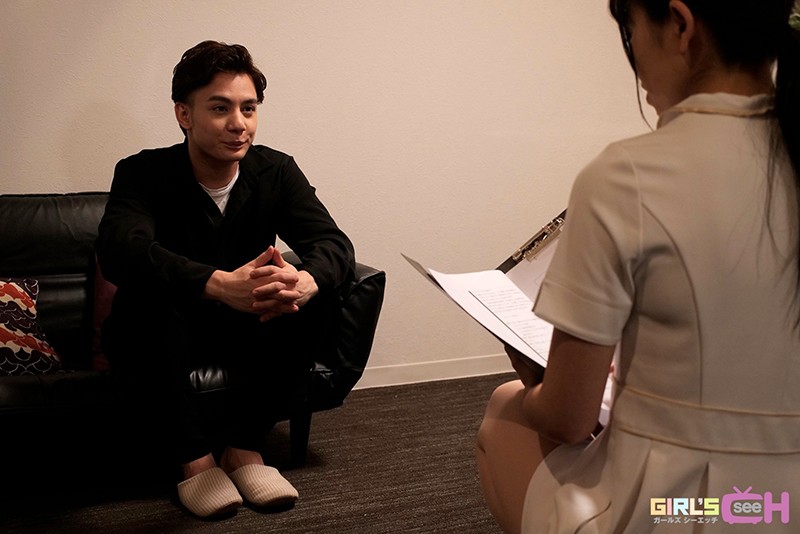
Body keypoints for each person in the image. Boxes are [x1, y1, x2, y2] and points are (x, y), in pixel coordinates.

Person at [477, 1, 800, 532]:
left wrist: (537, 386)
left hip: (690, 511)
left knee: (505, 411)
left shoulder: (623, 176)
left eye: (629, 31)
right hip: (785, 505)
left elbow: (568, 419)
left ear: (680, 25)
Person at [96, 40, 355, 518]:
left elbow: (333, 244)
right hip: (163, 331)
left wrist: (305, 280)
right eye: (220, 108)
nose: (239, 124)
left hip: (245, 329)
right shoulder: (142, 172)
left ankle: (244, 448)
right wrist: (216, 284)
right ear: (184, 114)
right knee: (150, 297)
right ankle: (195, 460)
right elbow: (121, 251)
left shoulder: (276, 170)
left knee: (309, 293)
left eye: (248, 108)